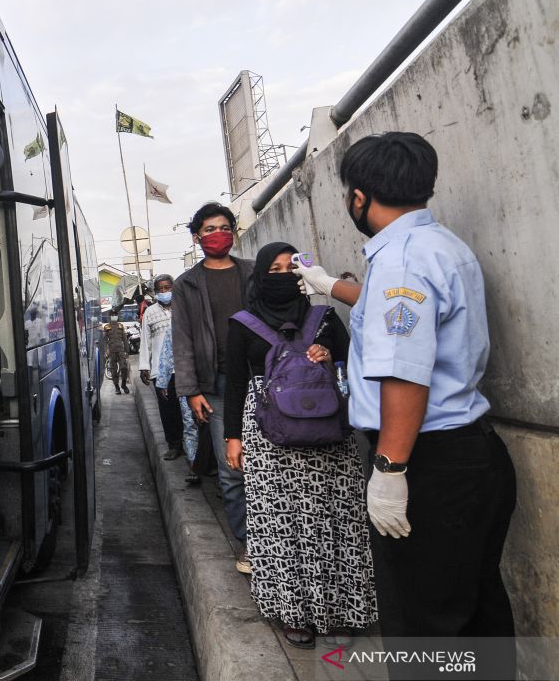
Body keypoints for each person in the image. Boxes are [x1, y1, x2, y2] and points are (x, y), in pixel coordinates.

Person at [295, 133, 516, 676]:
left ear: (358, 198)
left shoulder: (399, 262)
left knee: (425, 628)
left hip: (427, 463)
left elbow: (404, 375)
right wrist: (329, 285)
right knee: (477, 611)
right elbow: (392, 311)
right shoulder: (439, 245)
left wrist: (390, 470)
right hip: (473, 453)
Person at [224, 242, 377, 649]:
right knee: (282, 524)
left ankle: (343, 610)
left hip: (327, 433)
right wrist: (232, 438)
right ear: (260, 274)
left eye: (291, 267)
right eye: (273, 269)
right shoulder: (242, 322)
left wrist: (329, 358)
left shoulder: (324, 317)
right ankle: (296, 613)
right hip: (268, 435)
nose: (283, 275)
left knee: (334, 519)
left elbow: (356, 363)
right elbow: (236, 382)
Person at [172, 202, 253, 572]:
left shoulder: (254, 273)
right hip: (216, 386)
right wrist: (191, 391)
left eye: (224, 227)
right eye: (209, 229)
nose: (218, 233)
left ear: (234, 232)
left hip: (260, 380)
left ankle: (275, 539)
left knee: (267, 466)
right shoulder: (187, 284)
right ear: (196, 237)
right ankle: (248, 544)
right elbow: (183, 340)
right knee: (231, 469)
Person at [139, 274, 182, 459]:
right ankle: (173, 445)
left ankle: (195, 450)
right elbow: (145, 340)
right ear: (155, 292)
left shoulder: (182, 307)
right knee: (167, 410)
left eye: (167, 288)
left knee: (188, 410)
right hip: (160, 371)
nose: (164, 292)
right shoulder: (150, 312)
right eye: (160, 289)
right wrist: (144, 367)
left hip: (183, 367)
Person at [103, 312, 131, 395]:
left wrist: (127, 351)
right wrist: (105, 351)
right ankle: (117, 387)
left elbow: (125, 340)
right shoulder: (107, 327)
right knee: (113, 370)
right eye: (112, 315)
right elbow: (105, 341)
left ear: (117, 316)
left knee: (124, 367)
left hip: (121, 350)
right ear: (110, 317)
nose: (114, 316)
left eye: (115, 315)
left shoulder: (120, 326)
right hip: (112, 351)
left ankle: (123, 385)